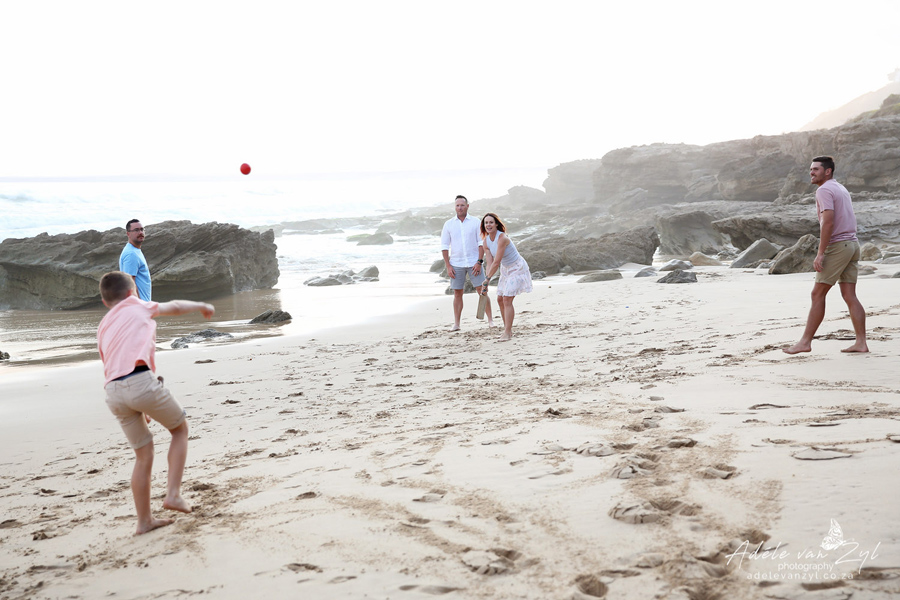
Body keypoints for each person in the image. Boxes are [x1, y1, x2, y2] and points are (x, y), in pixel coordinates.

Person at [97, 271, 215, 535]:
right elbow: (175, 306)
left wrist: (140, 406)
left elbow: (110, 363)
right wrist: (201, 305)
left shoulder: (103, 325)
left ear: (105, 302)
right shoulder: (138, 305)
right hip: (139, 382)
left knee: (143, 455)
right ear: (132, 293)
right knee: (180, 430)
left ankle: (144, 522)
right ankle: (173, 494)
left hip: (113, 391)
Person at [784, 156, 868, 354]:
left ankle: (805, 342)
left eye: (816, 169)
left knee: (817, 294)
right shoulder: (840, 188)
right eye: (811, 169)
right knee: (849, 295)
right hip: (852, 244)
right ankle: (861, 343)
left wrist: (821, 253)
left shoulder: (824, 190)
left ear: (827, 171)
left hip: (838, 246)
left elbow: (827, 222)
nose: (811, 172)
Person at [440, 195, 493, 330]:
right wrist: (448, 266)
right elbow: (444, 246)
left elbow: (481, 243)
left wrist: (479, 262)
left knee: (482, 290)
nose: (460, 208)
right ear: (455, 207)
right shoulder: (448, 224)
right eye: (457, 205)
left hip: (474, 263)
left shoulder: (475, 222)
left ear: (467, 206)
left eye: (462, 205)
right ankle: (457, 324)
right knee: (457, 293)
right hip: (456, 264)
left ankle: (490, 321)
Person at [480, 213, 533, 342]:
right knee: (500, 299)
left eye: (491, 222)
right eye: (486, 223)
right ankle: (507, 330)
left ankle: (508, 332)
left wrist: (487, 280)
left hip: (517, 267)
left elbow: (496, 262)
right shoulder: (486, 242)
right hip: (506, 269)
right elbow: (490, 263)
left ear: (496, 224)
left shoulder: (502, 238)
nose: (488, 225)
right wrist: (486, 280)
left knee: (507, 299)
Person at [119, 219, 152, 301]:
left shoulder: (135, 250)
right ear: (128, 234)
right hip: (139, 305)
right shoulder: (131, 254)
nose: (140, 232)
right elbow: (129, 284)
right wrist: (139, 305)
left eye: (142, 229)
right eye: (136, 230)